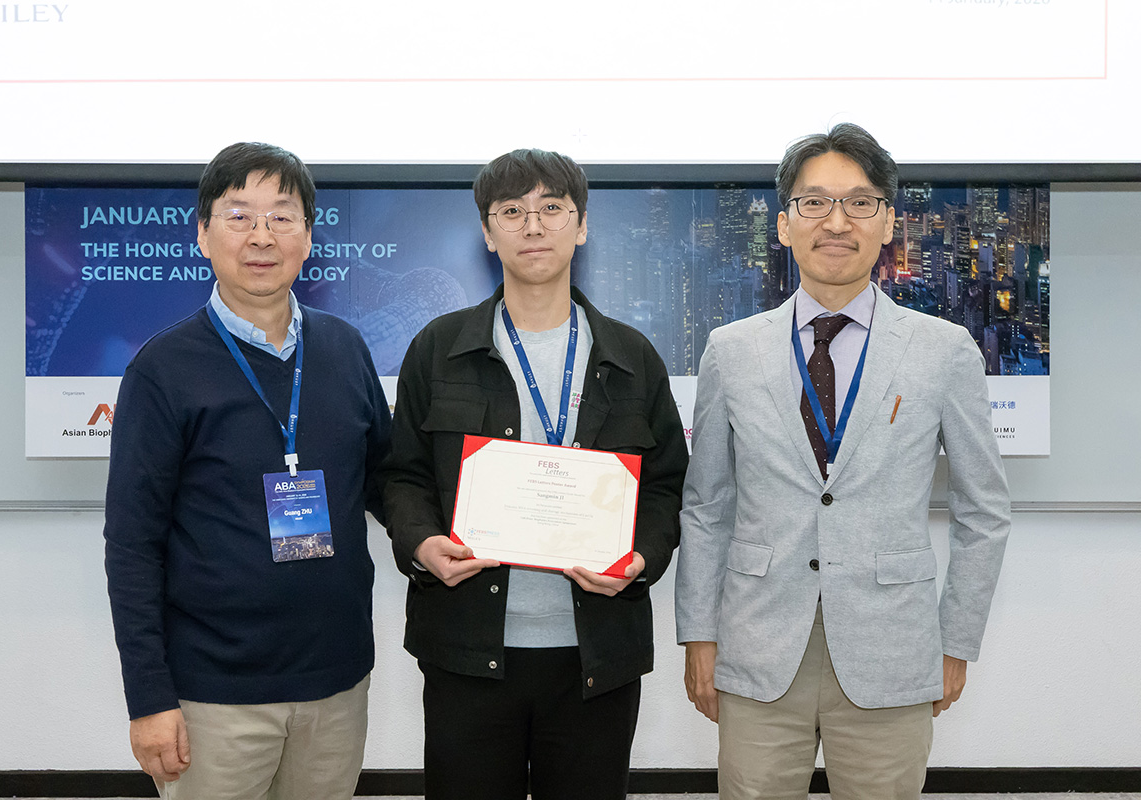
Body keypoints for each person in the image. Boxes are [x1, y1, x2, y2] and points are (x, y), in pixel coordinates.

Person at [675, 123, 1011, 800]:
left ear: (887, 222)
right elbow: (707, 506)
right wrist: (699, 636)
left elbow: (984, 511)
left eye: (859, 203)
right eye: (815, 202)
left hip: (894, 647)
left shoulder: (944, 351)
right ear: (784, 224)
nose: (837, 222)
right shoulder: (730, 351)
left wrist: (955, 642)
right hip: (759, 643)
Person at [377, 148, 688, 800]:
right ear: (488, 233)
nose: (534, 225)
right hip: (467, 651)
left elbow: (664, 485)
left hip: (596, 655)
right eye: (512, 212)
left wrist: (640, 558)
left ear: (582, 225)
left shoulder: (632, 357)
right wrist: (423, 544)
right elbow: (402, 474)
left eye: (552, 208)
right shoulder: (438, 349)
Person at [104, 142, 391, 799]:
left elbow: (386, 478)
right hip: (215, 695)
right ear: (203, 235)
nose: (262, 236)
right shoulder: (162, 369)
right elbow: (132, 545)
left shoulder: (345, 348)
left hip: (337, 682)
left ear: (308, 237)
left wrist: (437, 536)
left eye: (282, 216)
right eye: (239, 216)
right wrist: (149, 698)